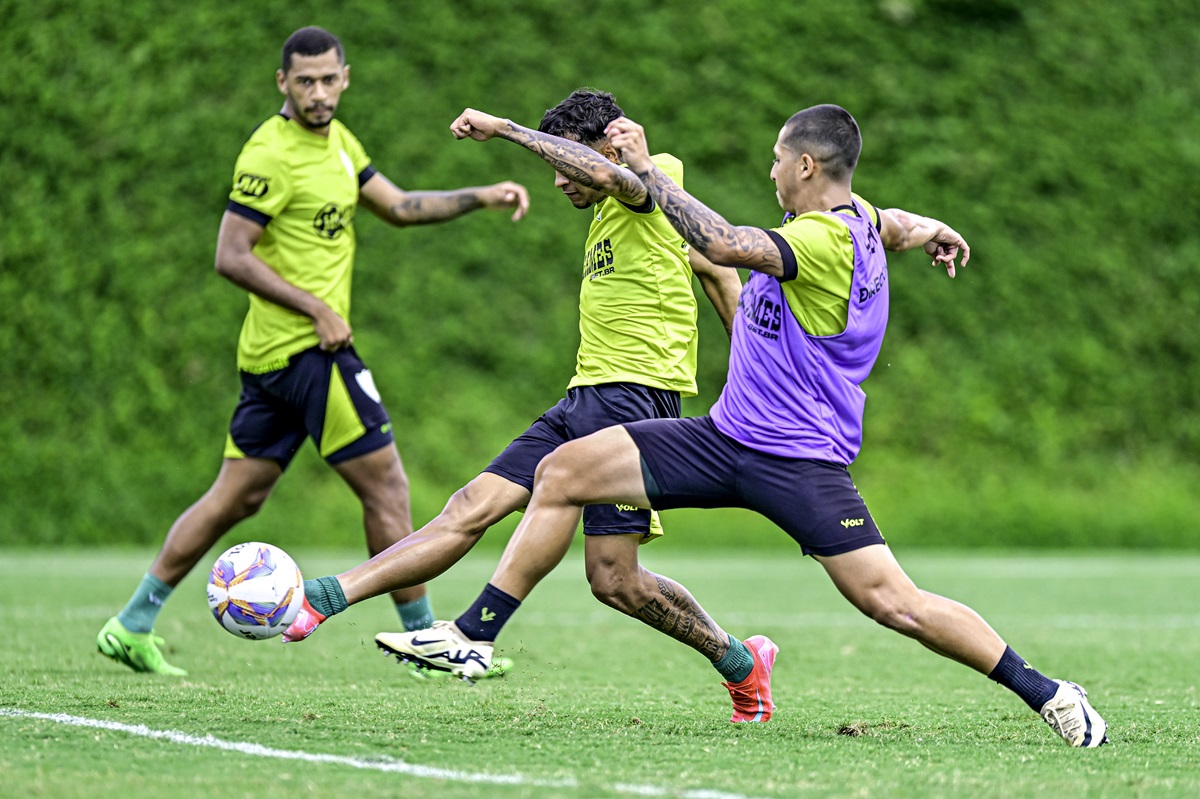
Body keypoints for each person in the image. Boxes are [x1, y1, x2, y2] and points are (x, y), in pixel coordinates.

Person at [373, 105, 1109, 748]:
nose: (771, 172)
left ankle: (1048, 691)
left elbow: (722, 244)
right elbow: (897, 224)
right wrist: (934, 228)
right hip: (724, 438)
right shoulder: (865, 220)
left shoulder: (820, 241)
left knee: (895, 603)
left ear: (809, 164)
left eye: (778, 160)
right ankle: (474, 634)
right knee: (563, 470)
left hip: (796, 462)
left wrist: (647, 172)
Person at [95, 26, 530, 676]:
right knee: (388, 488)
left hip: (274, 360)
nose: (319, 92)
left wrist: (482, 196)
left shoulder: (339, 143)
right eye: (305, 81)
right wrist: (317, 307)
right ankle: (425, 640)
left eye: (329, 79)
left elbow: (401, 207)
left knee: (234, 497)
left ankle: (131, 622)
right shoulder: (269, 153)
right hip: (308, 354)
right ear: (282, 83)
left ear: (345, 78)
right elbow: (230, 255)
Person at [279, 89, 746, 667]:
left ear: (609, 147)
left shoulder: (653, 177)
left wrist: (503, 128)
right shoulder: (612, 215)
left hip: (635, 400)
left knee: (597, 554)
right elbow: (716, 270)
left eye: (563, 164)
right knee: (489, 514)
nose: (557, 182)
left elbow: (621, 181)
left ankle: (475, 633)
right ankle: (323, 599)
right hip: (586, 395)